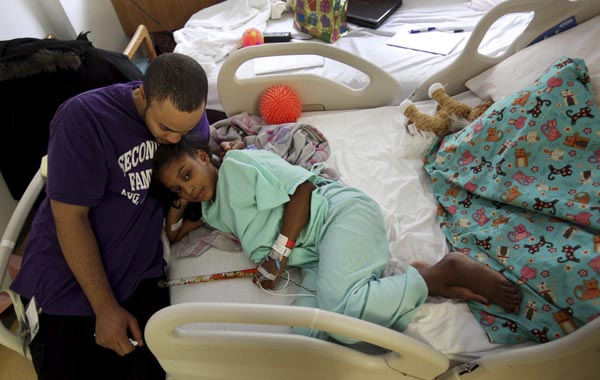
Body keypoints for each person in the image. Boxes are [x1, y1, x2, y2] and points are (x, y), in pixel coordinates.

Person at [152, 135, 522, 344]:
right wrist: (178, 204)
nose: (190, 187)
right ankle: (408, 281)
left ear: (203, 156)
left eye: (188, 173)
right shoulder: (213, 210)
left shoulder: (240, 165)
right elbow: (174, 233)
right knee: (312, 330)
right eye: (178, 187)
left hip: (338, 215)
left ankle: (441, 274)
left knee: (342, 309)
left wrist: (279, 254)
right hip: (316, 253)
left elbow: (302, 189)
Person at [10, 53, 211, 380]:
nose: (174, 140)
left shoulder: (191, 123)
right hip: (66, 278)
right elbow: (70, 219)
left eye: (185, 130)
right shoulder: (84, 120)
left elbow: (196, 176)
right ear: (144, 95)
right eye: (165, 128)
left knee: (163, 369)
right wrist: (104, 308)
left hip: (137, 272)